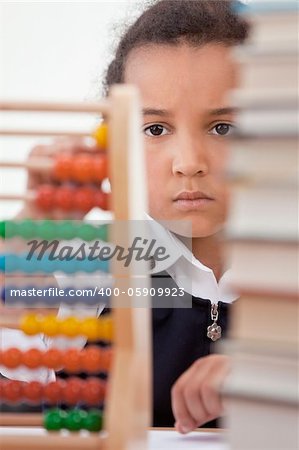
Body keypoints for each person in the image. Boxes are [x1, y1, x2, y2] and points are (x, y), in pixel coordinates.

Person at [0, 0, 249, 433]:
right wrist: (25, 235)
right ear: (114, 143)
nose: (188, 162)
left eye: (222, 127)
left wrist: (271, 377)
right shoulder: (97, 262)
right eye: (155, 129)